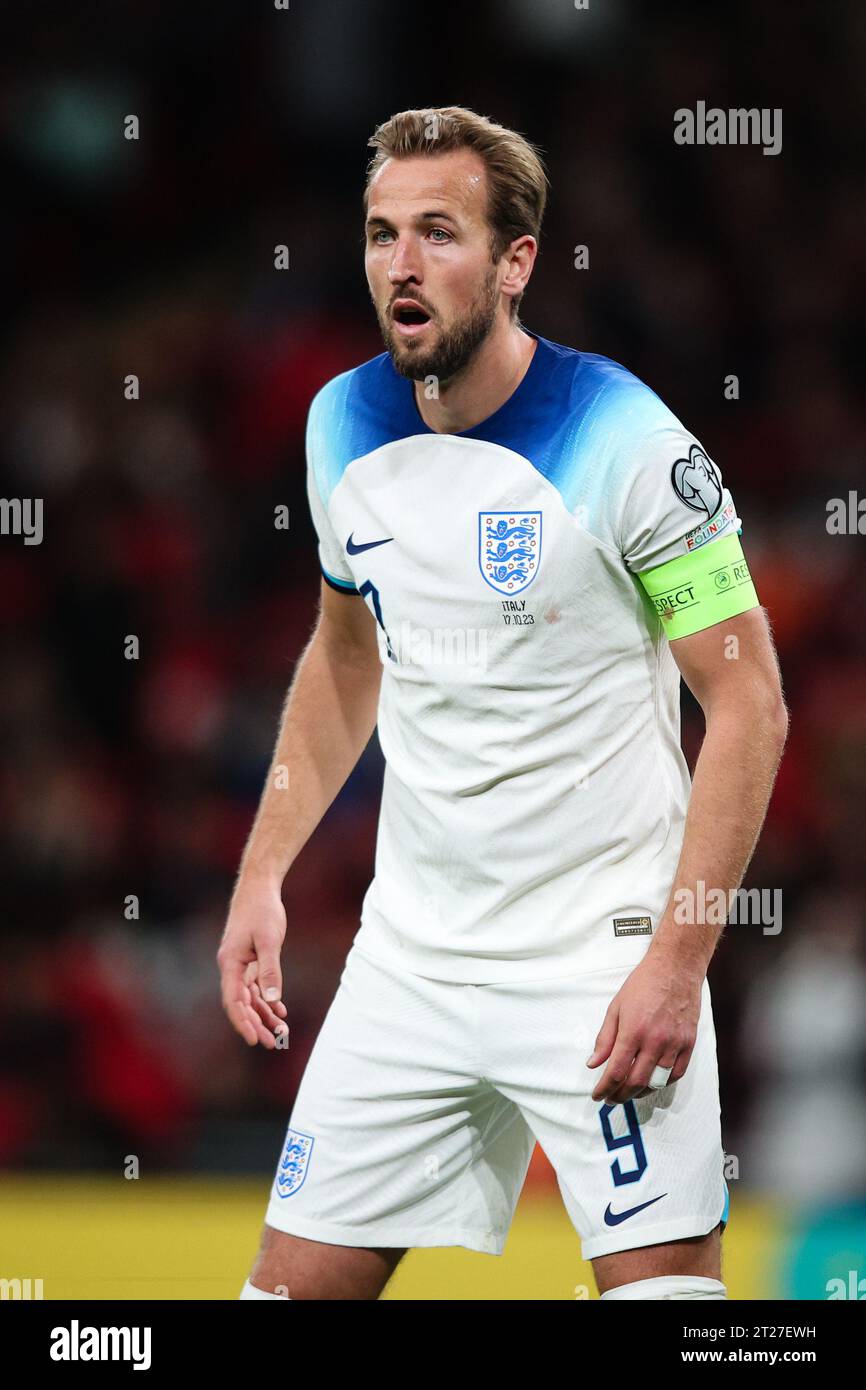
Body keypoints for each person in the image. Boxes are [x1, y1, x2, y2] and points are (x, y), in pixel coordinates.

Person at [219, 106, 788, 1301]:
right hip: (410, 961)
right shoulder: (339, 424)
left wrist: (678, 961)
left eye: (438, 232)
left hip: (600, 964)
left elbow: (747, 708)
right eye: (381, 235)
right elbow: (341, 660)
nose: (401, 265)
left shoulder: (625, 439)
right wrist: (262, 872)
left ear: (515, 261)